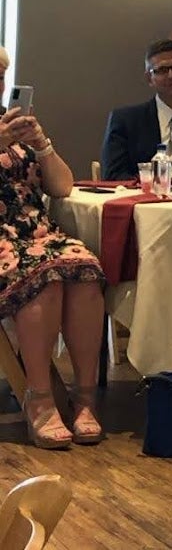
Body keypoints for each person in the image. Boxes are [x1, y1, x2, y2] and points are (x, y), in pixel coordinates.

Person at [0, 48, 105, 449]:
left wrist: (41, 143)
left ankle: (84, 397)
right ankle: (39, 399)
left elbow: (61, 187)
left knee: (84, 268)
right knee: (45, 275)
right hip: (4, 241)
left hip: (37, 233)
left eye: (1, 75)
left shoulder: (14, 125)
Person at [101, 39, 172, 179]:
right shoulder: (126, 122)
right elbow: (113, 176)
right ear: (149, 78)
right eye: (163, 70)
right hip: (150, 196)